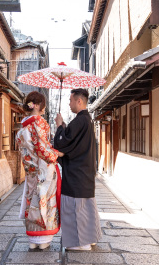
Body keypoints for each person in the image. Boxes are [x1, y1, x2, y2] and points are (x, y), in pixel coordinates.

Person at [53, 88, 102, 251]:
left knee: (76, 209)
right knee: (86, 208)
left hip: (76, 174)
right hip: (84, 172)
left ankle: (80, 243)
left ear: (79, 101)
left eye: (71, 100)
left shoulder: (80, 120)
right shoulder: (86, 120)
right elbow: (74, 143)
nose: (69, 103)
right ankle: (90, 238)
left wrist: (59, 126)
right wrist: (65, 127)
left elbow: (63, 142)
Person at [15, 91, 63, 250]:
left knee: (31, 200)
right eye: (43, 105)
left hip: (30, 171)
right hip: (43, 170)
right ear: (38, 106)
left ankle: (33, 239)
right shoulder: (39, 123)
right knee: (45, 201)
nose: (44, 108)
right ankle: (43, 240)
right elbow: (43, 148)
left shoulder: (23, 126)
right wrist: (57, 154)